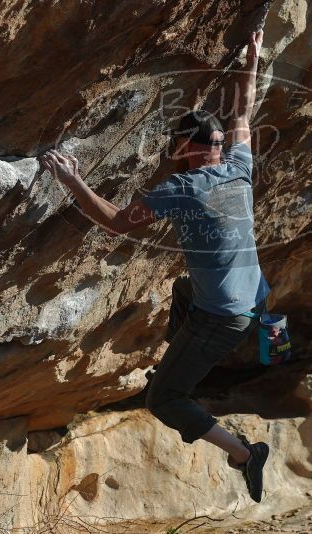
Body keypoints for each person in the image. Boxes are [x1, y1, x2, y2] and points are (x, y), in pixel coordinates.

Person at [39, 31, 271, 503]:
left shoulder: (183, 188)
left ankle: (245, 454)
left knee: (163, 400)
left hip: (223, 318)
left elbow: (118, 223)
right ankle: (173, 365)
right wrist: (253, 57)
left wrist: (72, 179)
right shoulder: (240, 163)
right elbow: (243, 111)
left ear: (186, 146)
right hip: (252, 300)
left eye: (176, 145)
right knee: (184, 289)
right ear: (218, 144)